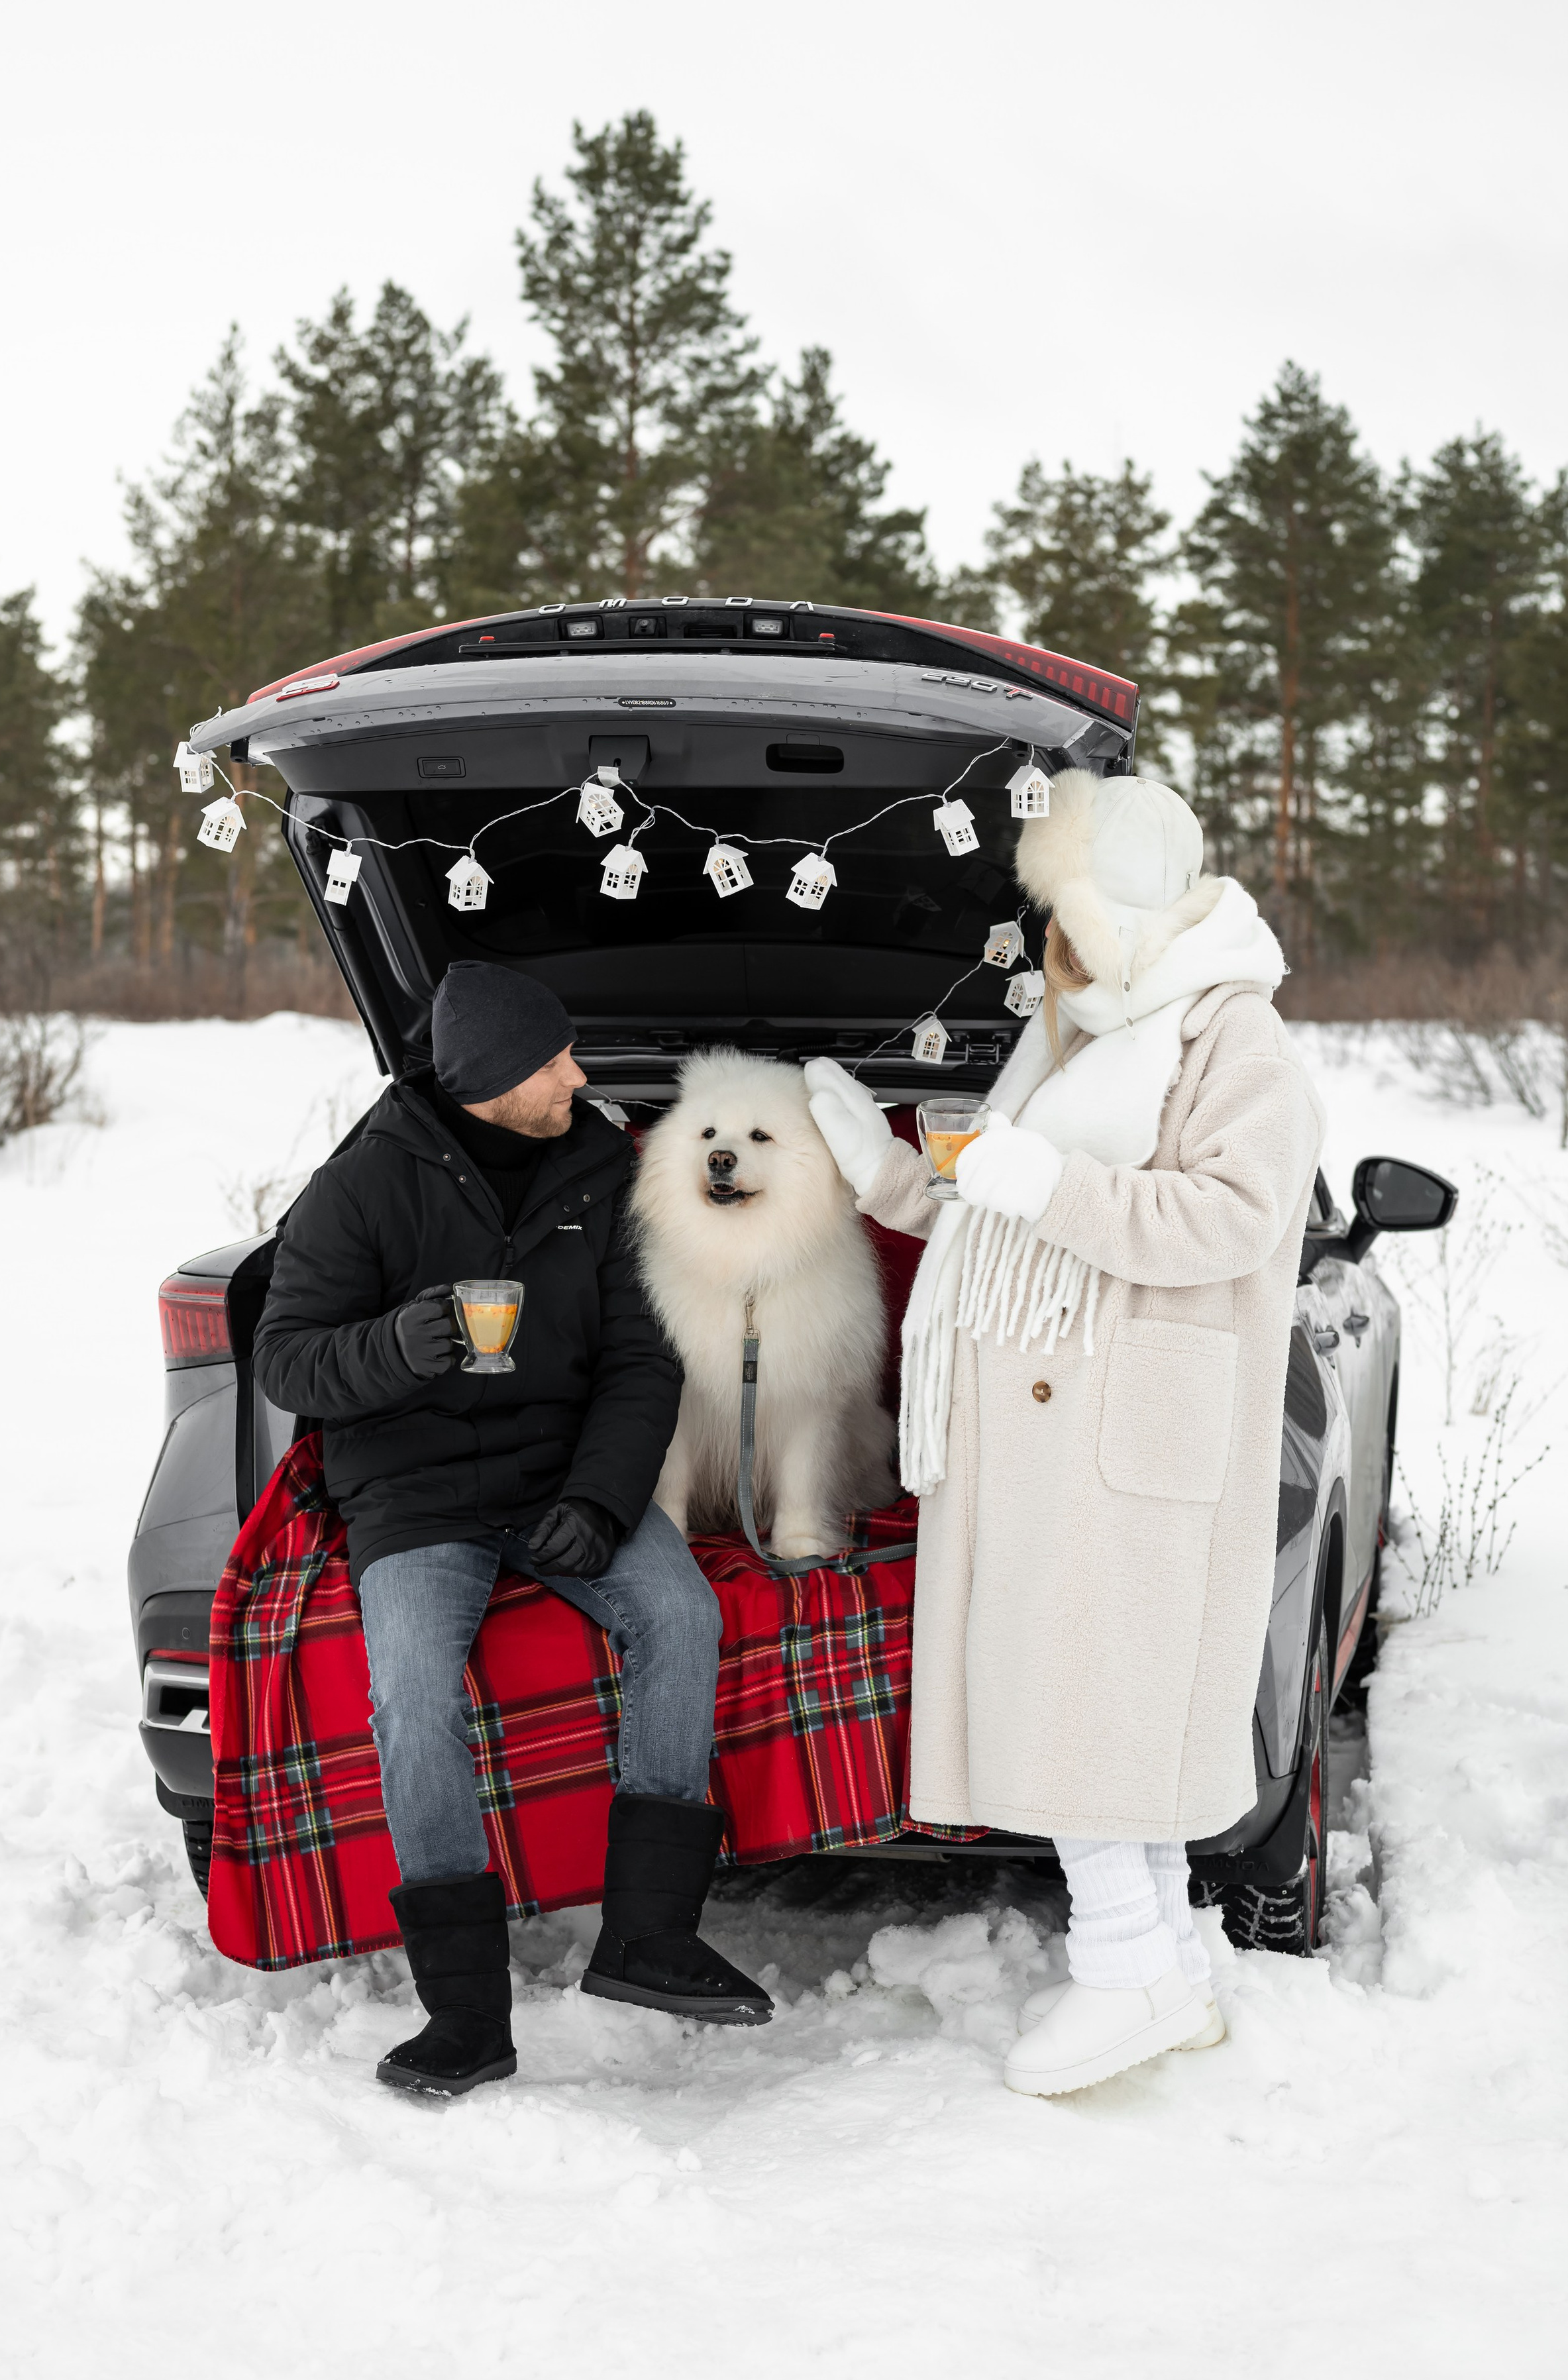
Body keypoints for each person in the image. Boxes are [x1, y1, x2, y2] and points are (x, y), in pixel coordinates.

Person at [806, 772, 1324, 2098]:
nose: (1050, 947)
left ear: (1133, 909)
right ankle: (1163, 1974)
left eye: (1070, 917)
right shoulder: (1082, 1033)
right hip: (1044, 1436)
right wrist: (887, 1173)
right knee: (1085, 1705)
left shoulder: (1230, 1038)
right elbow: (1002, 1215)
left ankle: (1121, 1974)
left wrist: (1037, 1177)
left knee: (1100, 1709)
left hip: (1129, 1436)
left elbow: (1230, 1218)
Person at [255, 960, 770, 2098]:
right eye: (552, 1063)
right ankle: (467, 2016)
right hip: (417, 1493)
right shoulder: (364, 1186)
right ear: (488, 1080)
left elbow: (644, 1356)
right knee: (412, 1695)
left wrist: (599, 1497)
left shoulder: (596, 1162)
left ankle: (647, 1938)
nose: (577, 1076)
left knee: (681, 1612)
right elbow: (285, 1357)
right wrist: (398, 1347)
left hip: (559, 1477)